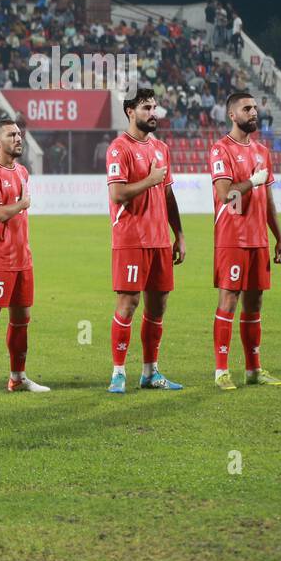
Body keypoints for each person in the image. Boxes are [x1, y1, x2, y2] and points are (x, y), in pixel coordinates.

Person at [104, 87, 185, 393]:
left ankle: (150, 372)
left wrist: (179, 235)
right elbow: (117, 193)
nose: (153, 113)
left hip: (160, 240)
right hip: (131, 238)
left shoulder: (162, 148)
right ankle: (118, 372)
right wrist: (150, 180)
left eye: (154, 107)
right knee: (128, 302)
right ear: (130, 112)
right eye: (146, 108)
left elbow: (167, 194)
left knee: (158, 306)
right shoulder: (118, 148)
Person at [0, 118, 50, 396]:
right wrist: (22, 204)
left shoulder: (23, 171)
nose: (18, 138)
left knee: (21, 317)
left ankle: (18, 377)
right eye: (11, 134)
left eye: (19, 133)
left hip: (22, 257)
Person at [208, 92, 281, 388]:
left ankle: (254, 369)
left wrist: (279, 237)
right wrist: (252, 181)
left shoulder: (262, 151)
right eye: (247, 108)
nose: (254, 112)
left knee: (255, 303)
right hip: (232, 238)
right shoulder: (220, 149)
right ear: (232, 114)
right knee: (229, 299)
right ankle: (221, 371)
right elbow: (225, 194)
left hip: (258, 239)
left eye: (255, 107)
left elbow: (268, 200)